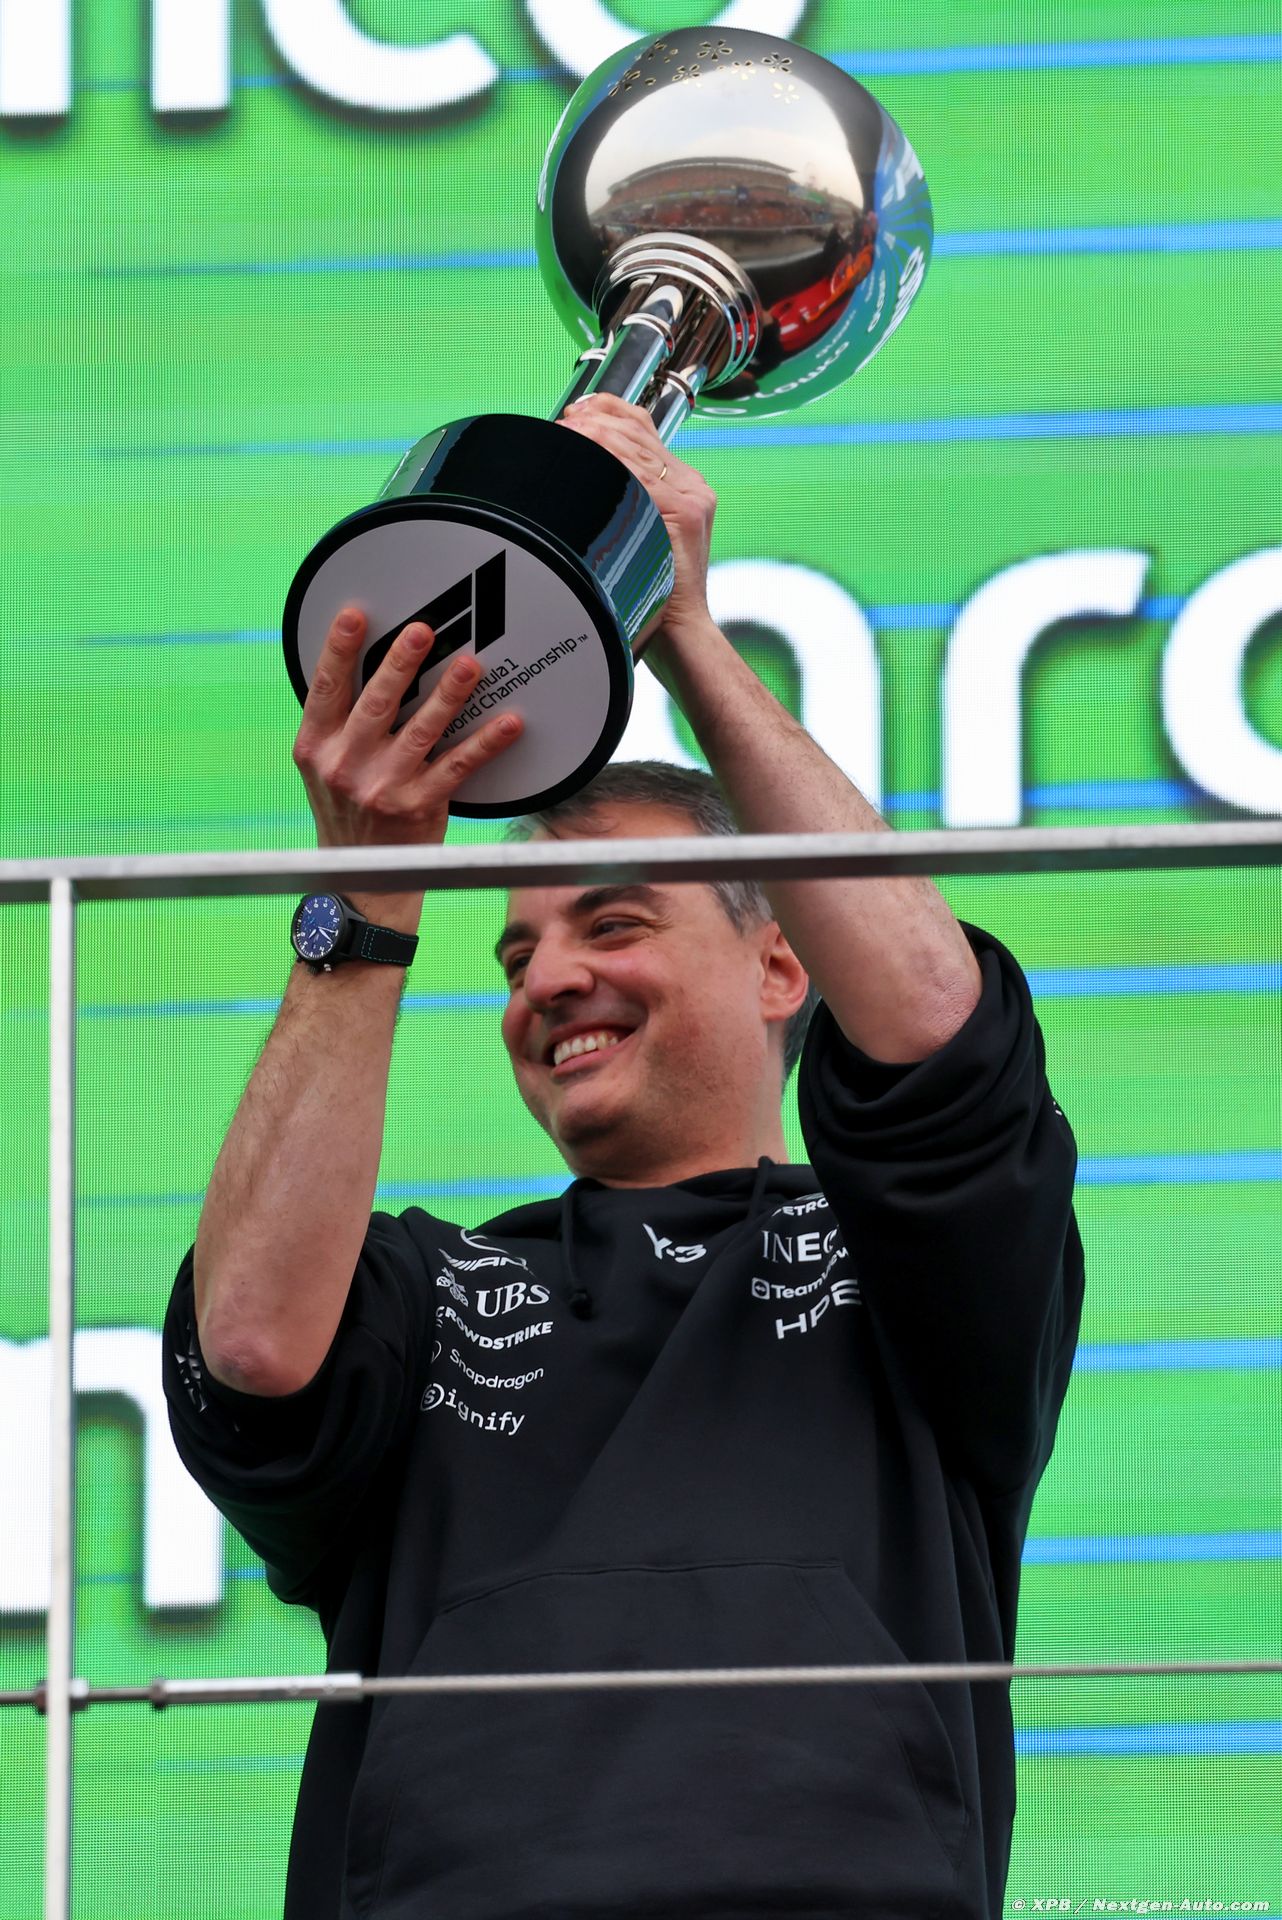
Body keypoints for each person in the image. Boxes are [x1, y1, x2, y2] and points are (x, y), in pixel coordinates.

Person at [163, 393, 1084, 1920]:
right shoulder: (427, 1287)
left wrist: (685, 638)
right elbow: (254, 1348)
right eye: (514, 954)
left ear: (778, 967)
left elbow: (934, 1021)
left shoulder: (914, 1272)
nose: (549, 979)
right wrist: (363, 892)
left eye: (614, 921)